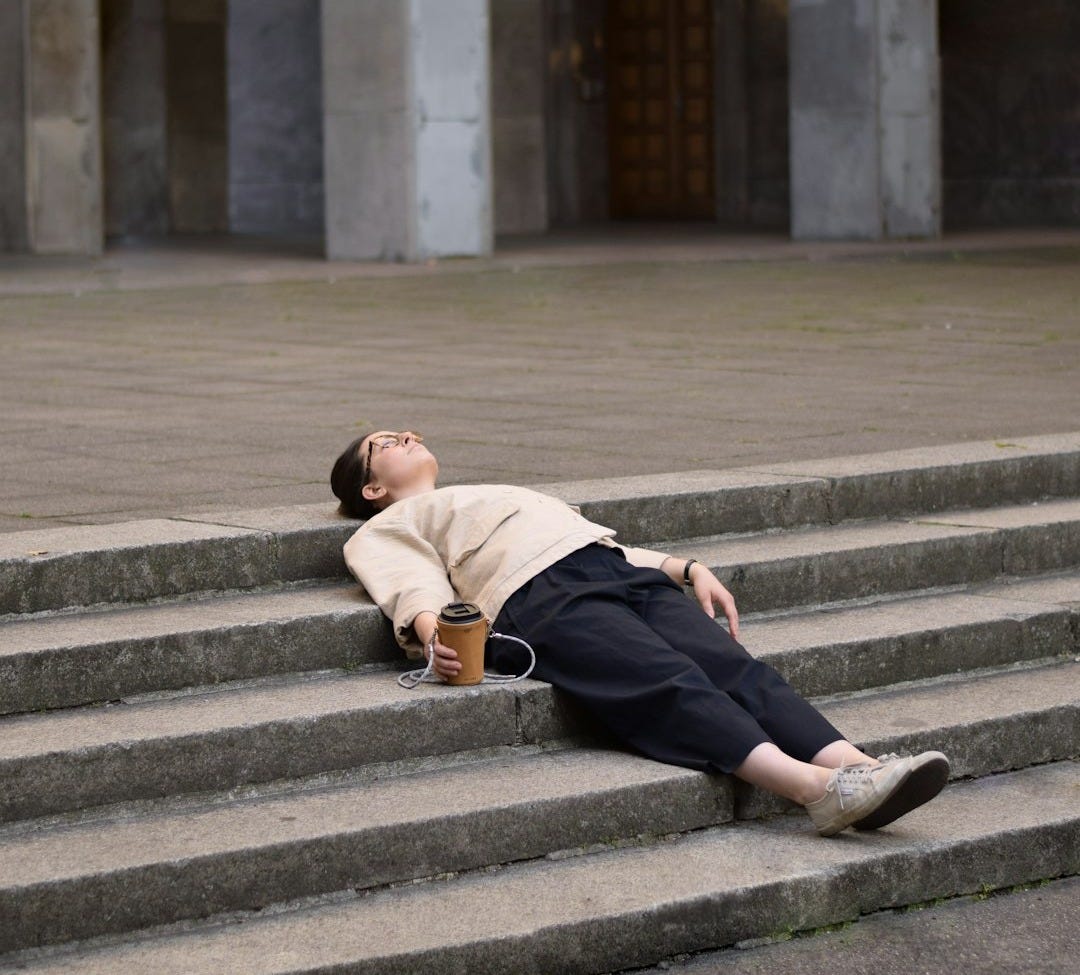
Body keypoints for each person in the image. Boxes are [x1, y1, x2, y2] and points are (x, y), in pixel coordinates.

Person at [331, 430, 950, 837]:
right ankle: (817, 789)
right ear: (372, 487)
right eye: (385, 443)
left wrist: (685, 567)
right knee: (669, 683)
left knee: (735, 668)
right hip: (537, 596)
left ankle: (861, 766)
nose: (407, 435)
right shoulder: (388, 524)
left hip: (611, 569)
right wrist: (432, 627)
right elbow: (407, 580)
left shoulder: (490, 490)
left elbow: (602, 542)